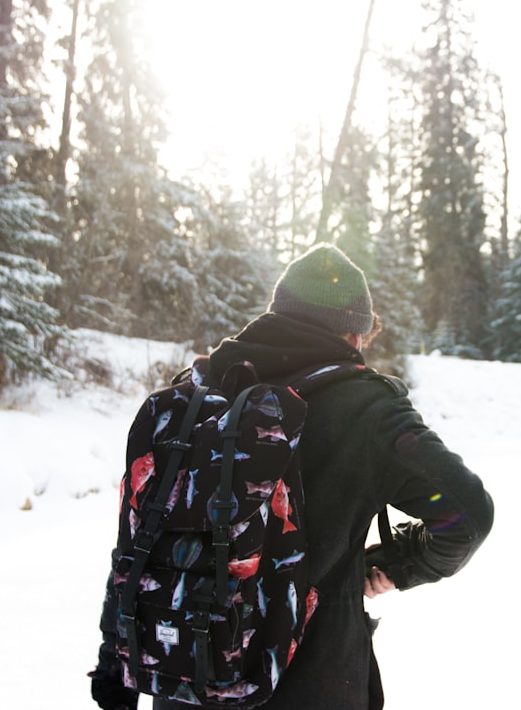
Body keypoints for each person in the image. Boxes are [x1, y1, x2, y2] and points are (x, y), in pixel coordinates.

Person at [90, 243, 494, 710]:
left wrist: (114, 663)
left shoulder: (195, 393)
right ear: (354, 334)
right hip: (312, 685)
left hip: (187, 678)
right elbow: (466, 515)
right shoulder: (368, 410)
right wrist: (394, 566)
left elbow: (141, 533)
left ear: (276, 314)